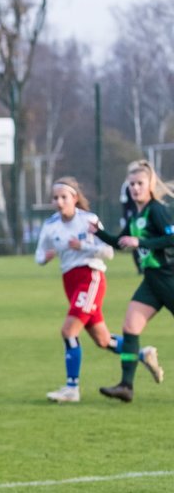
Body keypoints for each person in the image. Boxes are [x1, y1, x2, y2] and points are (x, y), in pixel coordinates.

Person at [33, 176, 121, 403]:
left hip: (90, 278)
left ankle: (72, 388)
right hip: (70, 282)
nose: (59, 202)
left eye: (64, 197)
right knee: (103, 341)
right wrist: (46, 257)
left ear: (74, 198)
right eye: (55, 198)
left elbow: (109, 252)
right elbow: (39, 256)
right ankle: (142, 354)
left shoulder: (88, 220)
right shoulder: (51, 225)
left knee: (68, 331)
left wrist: (82, 245)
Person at [90, 159, 170, 401]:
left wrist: (141, 242)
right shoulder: (136, 216)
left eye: (139, 183)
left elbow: (171, 238)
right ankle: (126, 386)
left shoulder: (157, 210)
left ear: (150, 185)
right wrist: (98, 232)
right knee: (130, 327)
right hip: (153, 282)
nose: (135, 188)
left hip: (170, 277)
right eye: (131, 184)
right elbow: (119, 241)